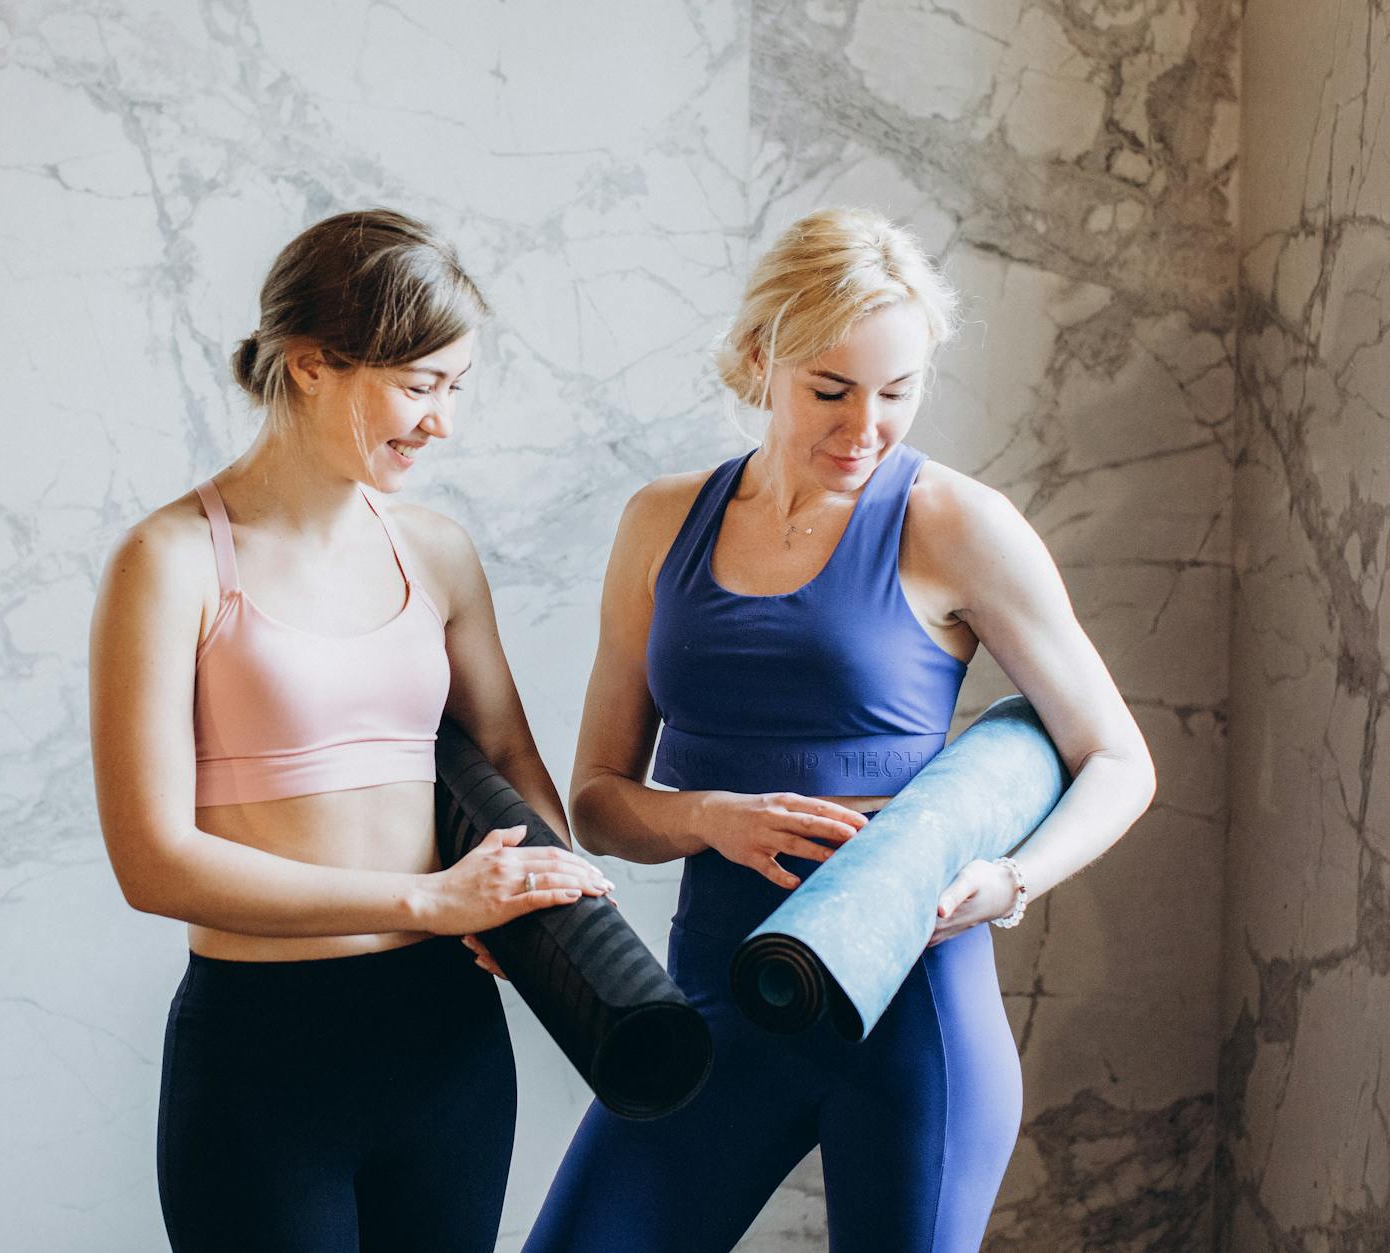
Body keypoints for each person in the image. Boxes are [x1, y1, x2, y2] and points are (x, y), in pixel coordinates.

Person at [523, 207, 1157, 1253]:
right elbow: (596, 798)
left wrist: (1012, 881)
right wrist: (709, 819)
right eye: (830, 389)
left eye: (896, 394)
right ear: (757, 359)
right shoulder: (659, 522)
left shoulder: (953, 521)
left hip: (912, 1012)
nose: (863, 426)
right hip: (715, 994)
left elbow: (1117, 758)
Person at [88, 208, 612, 1253]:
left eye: (455, 388)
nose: (441, 422)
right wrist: (427, 897)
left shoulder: (437, 551)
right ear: (311, 363)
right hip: (261, 1055)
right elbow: (152, 861)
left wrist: (545, 904)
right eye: (418, 385)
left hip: (447, 1042)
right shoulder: (171, 560)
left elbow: (506, 756)